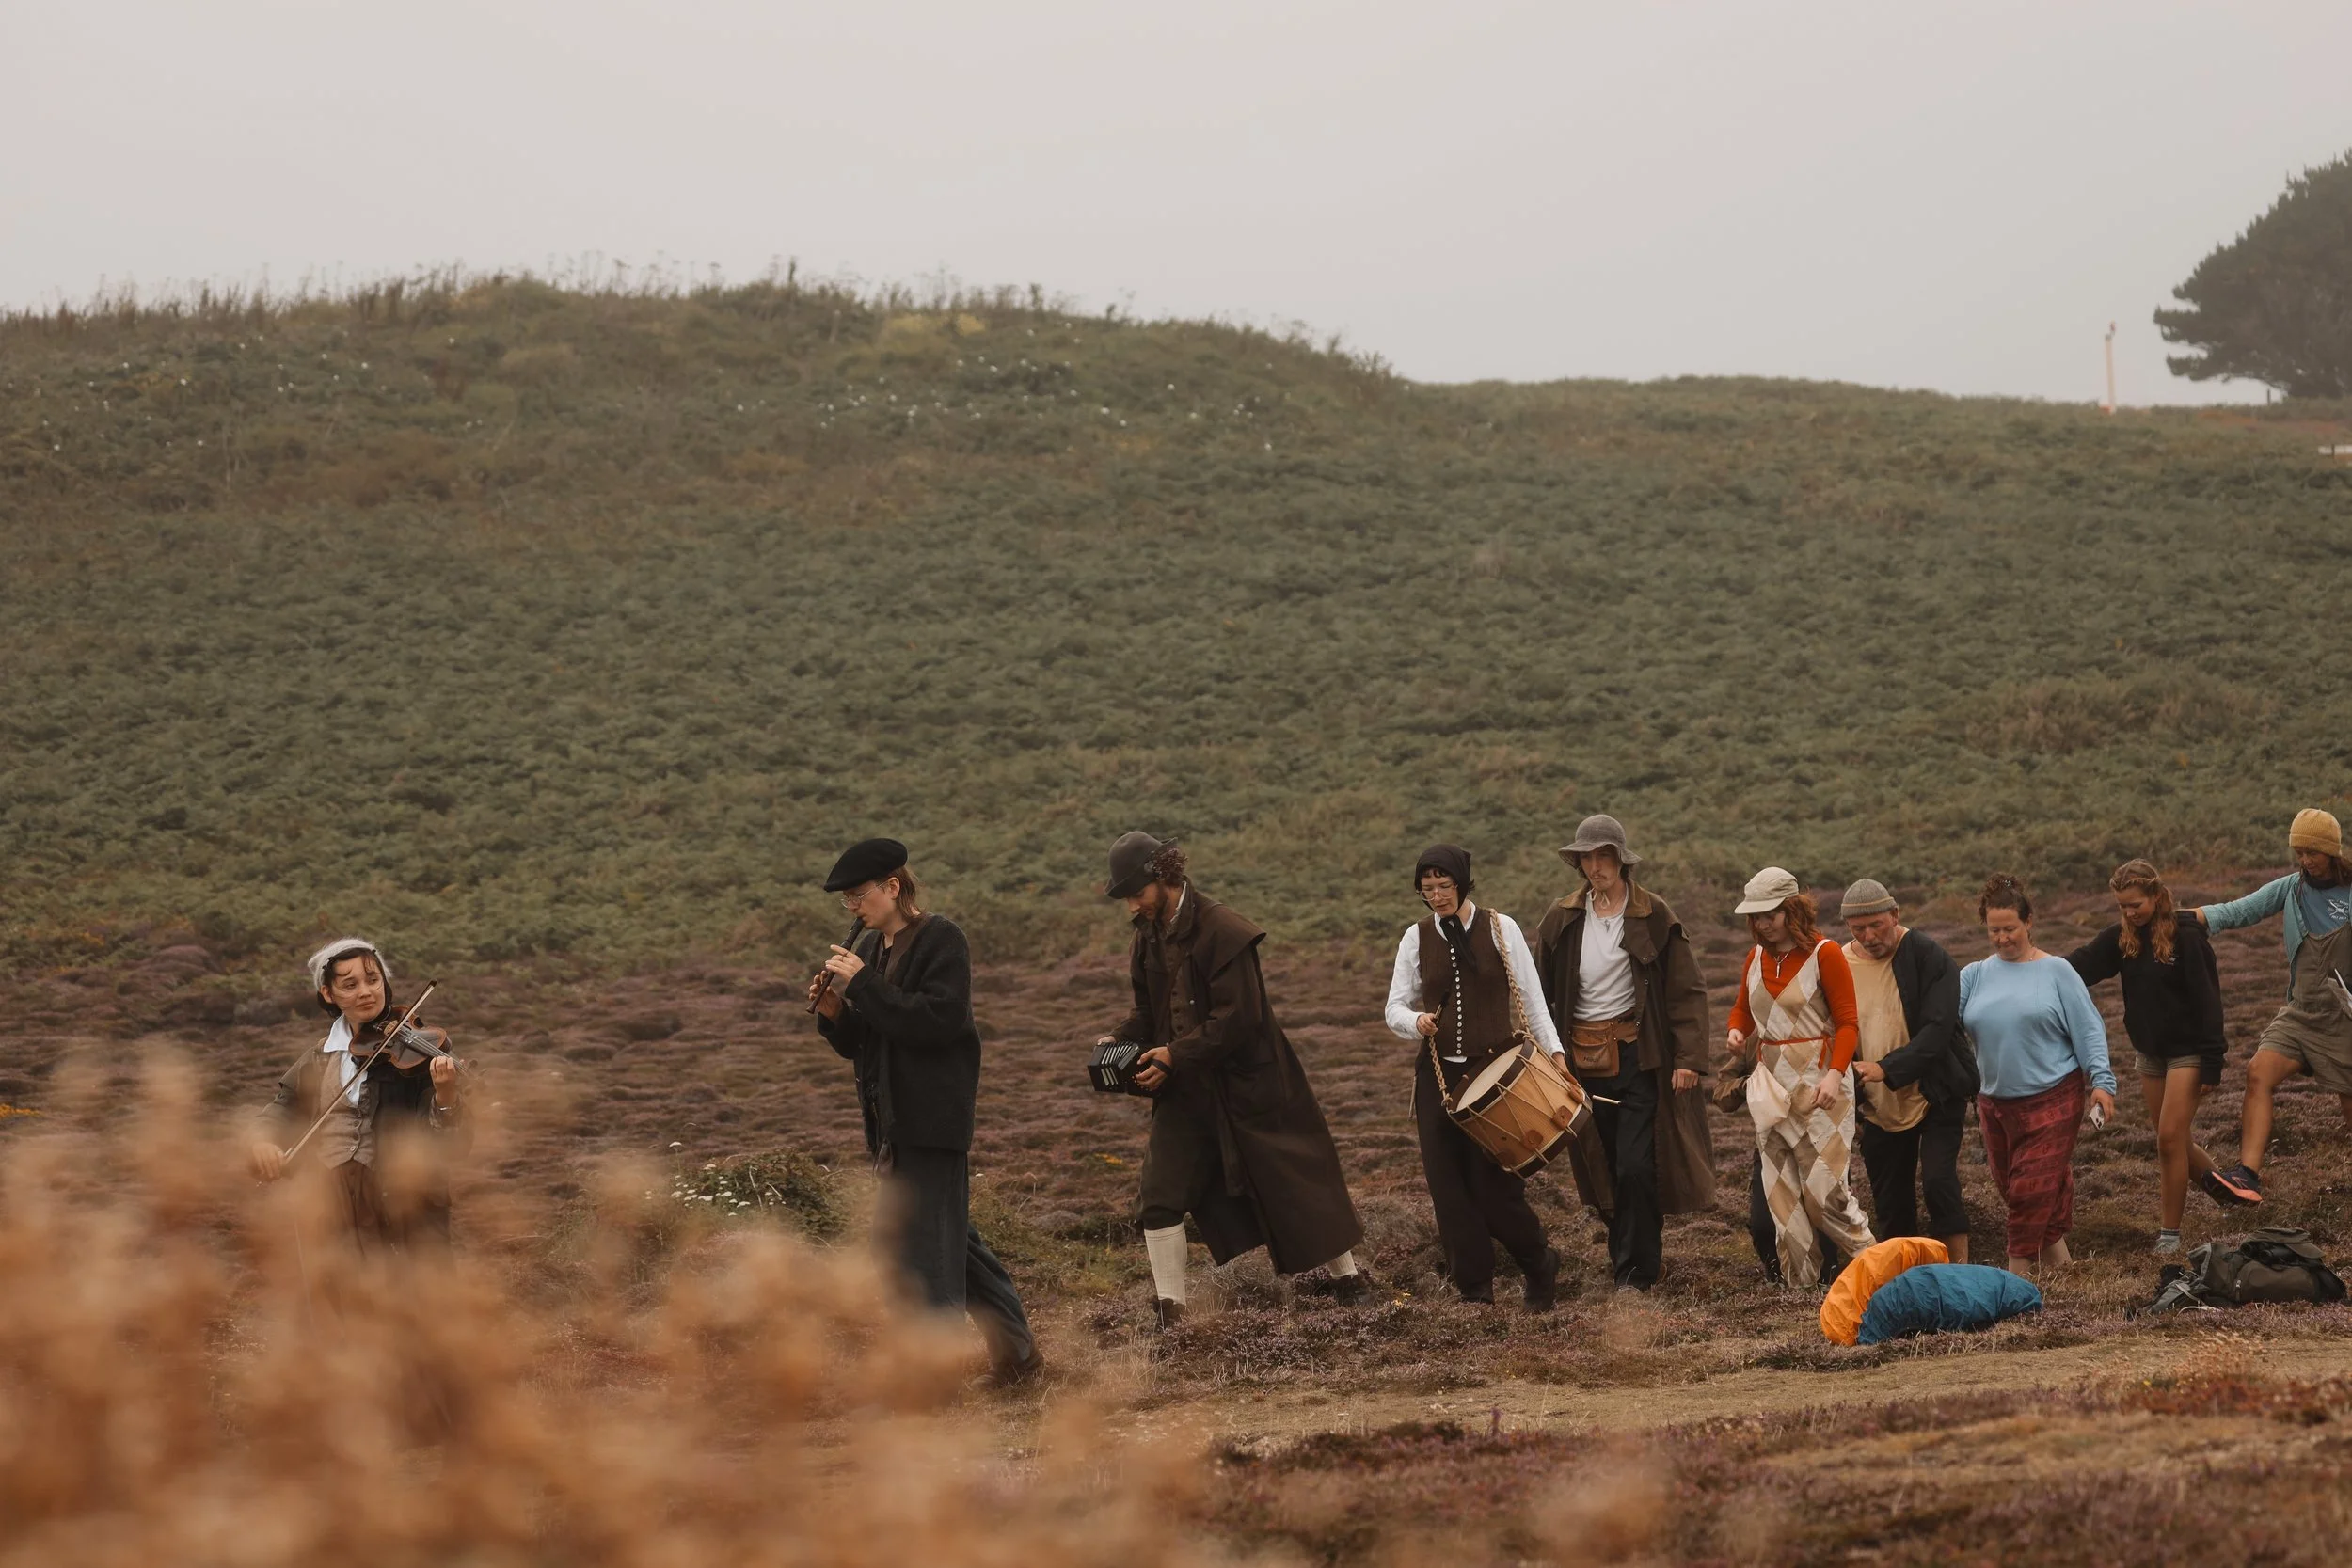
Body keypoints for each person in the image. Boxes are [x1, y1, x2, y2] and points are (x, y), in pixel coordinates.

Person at [1098, 832, 1366, 1327]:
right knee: (1159, 1195)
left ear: (1163, 877)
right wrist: (1117, 1040)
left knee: (1294, 1182)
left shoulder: (1223, 929)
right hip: (1185, 1089)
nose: (1132, 905)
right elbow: (1147, 1011)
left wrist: (1175, 1054)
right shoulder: (1146, 938)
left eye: (1136, 893)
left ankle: (1350, 1281)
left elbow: (1239, 1016)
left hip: (1251, 1083)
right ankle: (1171, 1315)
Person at [811, 838, 1042, 1385]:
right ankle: (1019, 1358)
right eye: (846, 901)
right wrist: (836, 1012)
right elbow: (870, 1041)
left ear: (893, 887)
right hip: (893, 1125)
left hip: (932, 1123)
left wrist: (863, 984)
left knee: (921, 1252)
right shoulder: (875, 949)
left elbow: (938, 1022)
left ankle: (935, 1378)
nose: (853, 908)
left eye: (858, 896)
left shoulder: (941, 938)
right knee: (954, 1245)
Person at [1530, 815, 1714, 1292]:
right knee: (1603, 1165)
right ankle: (1627, 1262)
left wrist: (1689, 1059)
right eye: (1587, 858)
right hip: (1579, 1062)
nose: (1596, 866)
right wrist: (1543, 1054)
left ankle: (1637, 1273)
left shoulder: (1654, 914)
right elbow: (1537, 992)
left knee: (1636, 1165)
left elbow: (1687, 991)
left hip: (1638, 1055)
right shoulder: (1562, 917)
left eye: (1604, 856)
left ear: (1620, 860)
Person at [1381, 845, 1565, 1309]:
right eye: (1427, 889)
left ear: (1462, 884)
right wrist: (1416, 1021)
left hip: (1496, 1076)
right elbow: (1394, 1007)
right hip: (1437, 1079)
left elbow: (1532, 1000)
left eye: (1444, 886)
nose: (1437, 896)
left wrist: (1556, 1054)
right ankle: (1475, 1291)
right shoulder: (1415, 937)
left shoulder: (1502, 929)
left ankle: (1539, 1263)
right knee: (1448, 1191)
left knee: (1496, 1188)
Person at [247, 938, 469, 1250]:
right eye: (350, 985)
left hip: (399, 1201)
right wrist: (263, 1141)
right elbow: (281, 1108)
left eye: (373, 980)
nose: (366, 992)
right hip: (331, 1201)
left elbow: (446, 1145)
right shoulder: (319, 1057)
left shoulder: (416, 1051)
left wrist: (445, 1097)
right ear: (328, 993)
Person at [2066, 860, 2231, 1253]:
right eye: (2122, 906)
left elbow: (2209, 1001)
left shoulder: (2187, 937)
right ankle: (2232, 1193)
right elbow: (2077, 967)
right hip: (2150, 1053)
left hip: (2189, 1051)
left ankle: (2169, 1235)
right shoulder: (2121, 938)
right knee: (2173, 1140)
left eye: (2135, 904)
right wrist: (2034, 968)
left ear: (2157, 896)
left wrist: (2213, 1061)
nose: (2129, 912)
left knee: (2170, 1139)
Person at [1724, 867, 1877, 1288]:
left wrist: (1835, 1076)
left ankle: (1879, 1273)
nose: (1761, 924)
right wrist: (1736, 1031)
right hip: (1773, 1094)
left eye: (1769, 915)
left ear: (1792, 910)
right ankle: (1803, 1290)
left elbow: (1848, 1024)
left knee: (1826, 1196)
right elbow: (1742, 1008)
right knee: (1782, 1199)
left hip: (1821, 1089)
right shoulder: (1755, 958)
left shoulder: (1825, 954)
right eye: (1755, 917)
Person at [1962, 874, 2118, 1278]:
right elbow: (1945, 1027)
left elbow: (2088, 1030)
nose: (2002, 938)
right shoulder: (1974, 975)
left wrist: (2102, 1083)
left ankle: (2015, 1282)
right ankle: (2067, 1275)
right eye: (1994, 930)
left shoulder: (2056, 971)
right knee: (2019, 1190)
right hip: (1995, 1103)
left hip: (2053, 1098)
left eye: (2010, 929)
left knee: (2028, 1194)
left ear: (2029, 922)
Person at [2195, 808, 2352, 1203]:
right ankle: (2247, 1176)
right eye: (2299, 852)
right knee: (2258, 1072)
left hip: (2346, 1021)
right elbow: (2240, 910)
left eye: (2312, 852)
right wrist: (2194, 917)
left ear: (2332, 851)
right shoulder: (2291, 889)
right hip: (2301, 1014)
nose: (2305, 860)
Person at [1840, 879, 1978, 1262]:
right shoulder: (1838, 962)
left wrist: (1886, 1068)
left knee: (1939, 1183)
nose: (1869, 936)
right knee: (1890, 1198)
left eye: (1877, 925)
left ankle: (1958, 1272)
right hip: (1876, 1101)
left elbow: (1938, 1030)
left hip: (1936, 1090)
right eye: (1858, 928)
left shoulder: (1928, 955)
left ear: (1895, 915)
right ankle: (1904, 1278)